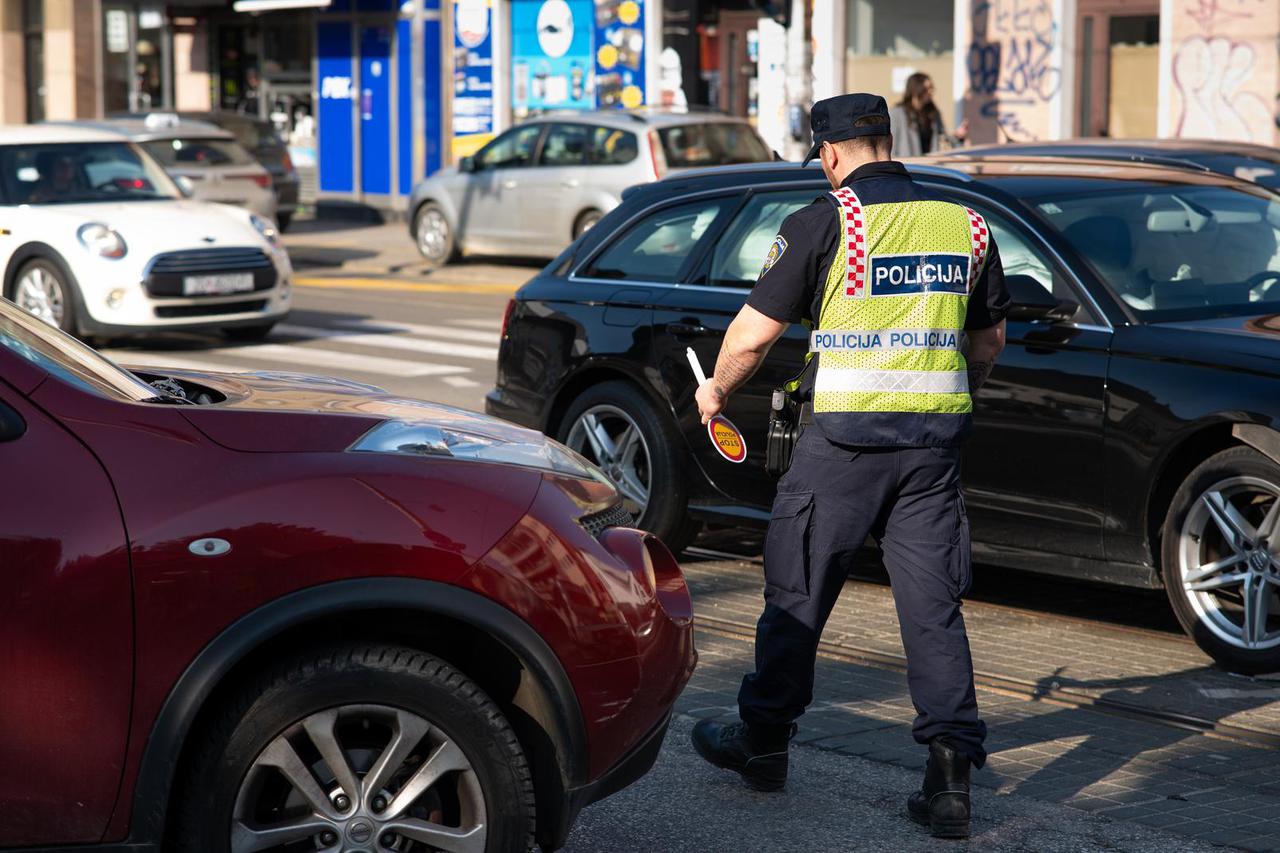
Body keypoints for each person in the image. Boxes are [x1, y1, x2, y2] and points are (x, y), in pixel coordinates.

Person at [690, 93, 1009, 840]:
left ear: (831, 154)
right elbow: (989, 339)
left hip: (841, 450)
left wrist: (715, 391)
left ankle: (764, 744)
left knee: (797, 592)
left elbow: (752, 333)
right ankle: (950, 782)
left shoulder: (824, 221)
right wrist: (956, 389)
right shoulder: (964, 223)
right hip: (931, 452)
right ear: (888, 141)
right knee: (933, 611)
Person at [889, 72, 967, 157]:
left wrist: (958, 136)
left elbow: (944, 138)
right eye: (927, 88)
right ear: (916, 88)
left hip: (929, 167)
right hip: (908, 167)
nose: (931, 92)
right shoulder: (897, 113)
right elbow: (891, 146)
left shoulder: (933, 113)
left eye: (932, 88)